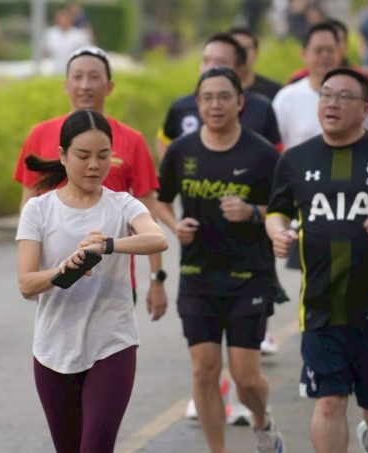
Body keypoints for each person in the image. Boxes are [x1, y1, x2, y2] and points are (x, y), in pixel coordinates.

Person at [266, 67, 368, 453]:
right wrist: (278, 233)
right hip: (320, 305)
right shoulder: (296, 159)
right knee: (329, 402)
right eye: (326, 95)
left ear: (365, 108)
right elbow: (277, 210)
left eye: (344, 96)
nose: (332, 103)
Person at [16, 109, 168, 453]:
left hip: (112, 344)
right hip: (53, 350)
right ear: (62, 155)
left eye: (103, 155)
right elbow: (26, 284)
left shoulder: (123, 204)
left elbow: (158, 239)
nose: (94, 165)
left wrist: (108, 245)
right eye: (83, 156)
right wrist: (64, 270)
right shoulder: (38, 210)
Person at [157, 67, 284, 453]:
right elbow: (161, 200)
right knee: (203, 370)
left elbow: (284, 210)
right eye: (207, 97)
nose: (215, 104)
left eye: (224, 96)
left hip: (249, 276)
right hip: (197, 275)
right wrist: (175, 225)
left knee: (247, 380)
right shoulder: (181, 151)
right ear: (198, 103)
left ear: (240, 102)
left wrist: (252, 212)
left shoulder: (262, 154)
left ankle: (262, 420)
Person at [13, 46, 167, 322]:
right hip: (57, 280)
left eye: (94, 77)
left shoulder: (131, 140)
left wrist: (157, 277)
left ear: (109, 86)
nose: (85, 85)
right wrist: (33, 269)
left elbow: (149, 214)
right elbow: (27, 204)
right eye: (78, 77)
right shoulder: (39, 135)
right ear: (66, 84)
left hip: (114, 280)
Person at [157, 33, 280, 159]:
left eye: (220, 62)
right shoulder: (181, 106)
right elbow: (164, 142)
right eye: (206, 61)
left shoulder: (261, 108)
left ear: (240, 68)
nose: (211, 67)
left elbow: (275, 154)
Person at [273, 22, 368, 150]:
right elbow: (275, 147)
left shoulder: (361, 93)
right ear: (304, 54)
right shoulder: (286, 98)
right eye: (319, 50)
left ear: (340, 53)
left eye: (330, 50)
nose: (325, 55)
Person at [228, 26, 283, 100]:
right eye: (236, 49)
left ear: (256, 53)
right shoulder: (214, 90)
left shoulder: (275, 92)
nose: (241, 54)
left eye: (245, 49)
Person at [42, 8, 91, 74]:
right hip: (54, 70)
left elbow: (87, 52)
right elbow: (43, 50)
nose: (63, 21)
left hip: (74, 70)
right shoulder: (50, 33)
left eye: (65, 18)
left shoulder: (79, 34)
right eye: (61, 19)